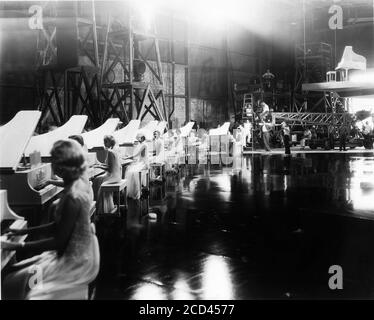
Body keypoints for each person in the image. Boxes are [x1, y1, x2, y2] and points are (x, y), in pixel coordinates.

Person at [1, 140, 99, 299]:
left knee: (16, 281)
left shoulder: (73, 197)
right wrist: (23, 230)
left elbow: (58, 241)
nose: (50, 164)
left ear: (60, 166)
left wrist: (18, 245)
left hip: (74, 263)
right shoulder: (74, 186)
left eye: (52, 160)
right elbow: (56, 226)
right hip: (70, 254)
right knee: (16, 273)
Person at [92, 135, 122, 214]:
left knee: (98, 181)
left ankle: (102, 209)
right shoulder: (113, 151)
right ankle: (104, 206)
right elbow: (110, 165)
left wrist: (99, 166)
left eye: (106, 141)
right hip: (116, 174)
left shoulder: (110, 152)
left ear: (110, 142)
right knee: (97, 179)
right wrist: (99, 165)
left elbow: (110, 169)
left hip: (113, 176)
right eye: (104, 141)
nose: (104, 143)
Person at [124, 133, 149, 199]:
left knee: (132, 171)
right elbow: (137, 155)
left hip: (144, 163)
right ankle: (134, 190)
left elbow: (137, 154)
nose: (137, 139)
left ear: (142, 138)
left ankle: (136, 191)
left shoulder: (144, 145)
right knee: (129, 170)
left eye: (139, 138)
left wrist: (127, 158)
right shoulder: (141, 144)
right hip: (141, 162)